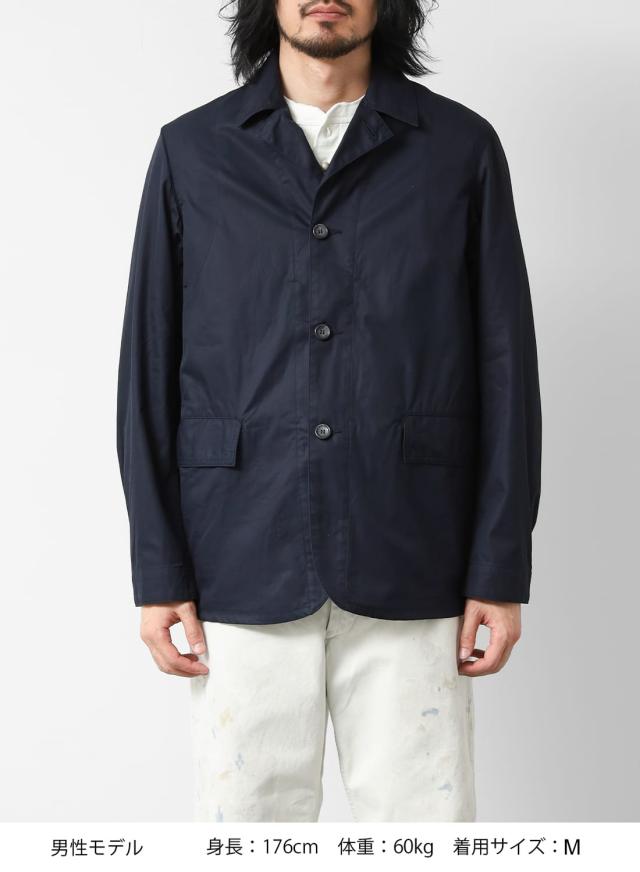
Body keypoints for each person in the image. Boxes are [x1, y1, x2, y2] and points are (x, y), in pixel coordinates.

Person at [116, 0, 542, 823]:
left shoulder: (459, 149)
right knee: (247, 831)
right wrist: (158, 569)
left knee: (423, 833)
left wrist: (499, 565)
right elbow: (148, 368)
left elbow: (505, 370)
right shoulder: (194, 152)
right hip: (239, 550)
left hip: (414, 548)